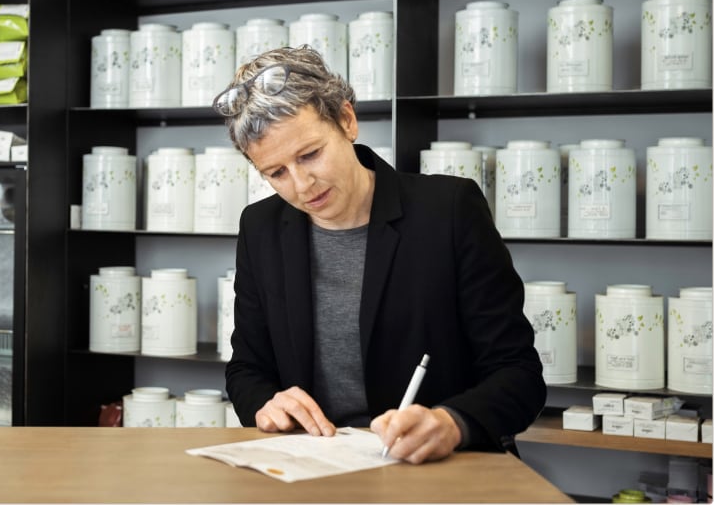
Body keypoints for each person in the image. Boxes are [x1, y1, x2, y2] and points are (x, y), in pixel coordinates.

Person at [216, 46, 546, 465]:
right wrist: (266, 403)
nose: (301, 185)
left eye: (310, 154)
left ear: (347, 121)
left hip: (437, 469)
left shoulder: (448, 210)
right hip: (314, 467)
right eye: (276, 173)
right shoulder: (260, 227)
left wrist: (453, 422)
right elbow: (246, 369)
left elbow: (519, 374)